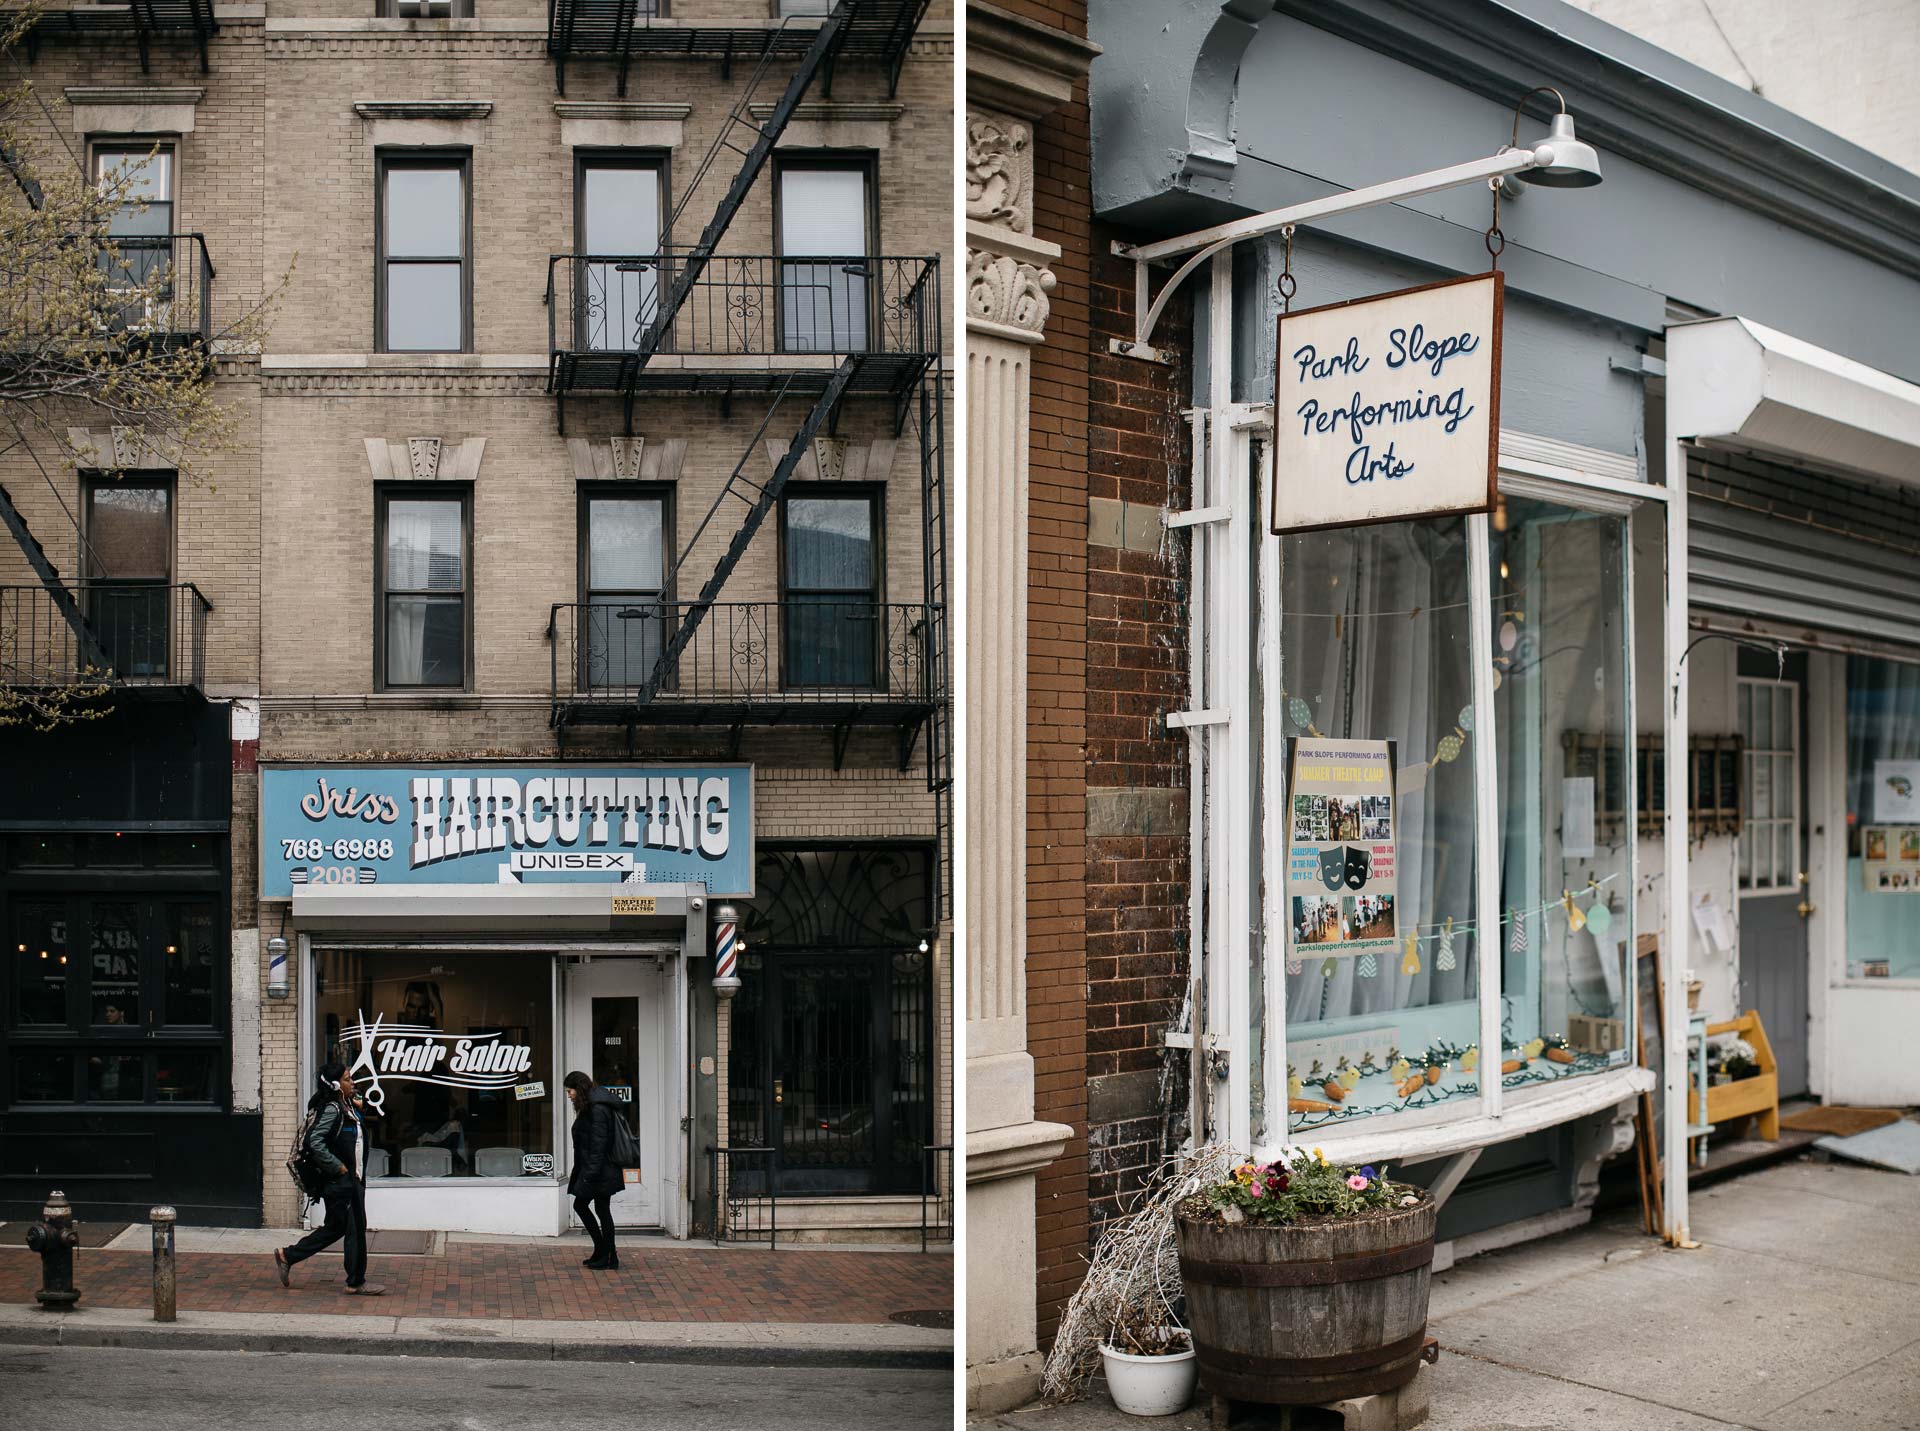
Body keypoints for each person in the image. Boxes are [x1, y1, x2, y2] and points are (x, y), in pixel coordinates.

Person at [274, 1059, 385, 1295]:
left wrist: (359, 1107)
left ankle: (288, 1255)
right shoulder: (332, 1109)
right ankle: (356, 1281)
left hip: (350, 1178)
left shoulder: (345, 1106)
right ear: (335, 1085)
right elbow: (315, 1142)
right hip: (341, 1180)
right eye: (347, 1079)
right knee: (354, 1227)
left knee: (337, 1227)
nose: (352, 1082)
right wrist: (339, 1168)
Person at [564, 1070, 624, 1270]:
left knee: (591, 1208)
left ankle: (606, 1253)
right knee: (595, 1208)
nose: (568, 1094)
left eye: (570, 1090)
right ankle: (605, 1253)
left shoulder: (596, 1109)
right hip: (596, 1168)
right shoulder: (591, 1106)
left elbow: (598, 1145)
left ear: (578, 1088)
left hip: (599, 1170)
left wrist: (589, 1175)